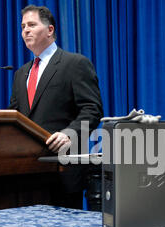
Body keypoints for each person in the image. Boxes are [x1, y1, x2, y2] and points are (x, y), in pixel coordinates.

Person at [8, 5, 103, 209]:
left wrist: (69, 134)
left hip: (63, 171)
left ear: (50, 30)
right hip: (27, 174)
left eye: (32, 25)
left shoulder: (75, 63)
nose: (25, 30)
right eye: (23, 26)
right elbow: (14, 118)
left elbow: (92, 109)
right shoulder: (20, 74)